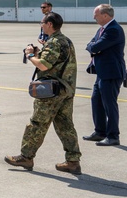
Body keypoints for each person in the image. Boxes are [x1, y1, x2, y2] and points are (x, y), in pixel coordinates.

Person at [5, 13, 82, 174]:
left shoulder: (54, 42)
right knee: (65, 125)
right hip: (66, 89)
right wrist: (39, 53)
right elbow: (55, 62)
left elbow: (44, 65)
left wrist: (30, 55)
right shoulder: (65, 40)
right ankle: (73, 161)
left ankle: (26, 157)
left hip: (52, 91)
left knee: (37, 124)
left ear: (50, 24)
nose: (41, 25)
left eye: (42, 22)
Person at [83, 4, 125, 147]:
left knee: (109, 104)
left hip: (111, 73)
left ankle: (113, 136)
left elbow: (94, 47)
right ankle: (100, 132)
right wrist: (93, 47)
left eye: (96, 14)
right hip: (102, 72)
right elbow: (91, 44)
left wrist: (93, 47)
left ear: (105, 15)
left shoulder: (113, 30)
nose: (94, 17)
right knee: (96, 101)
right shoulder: (102, 29)